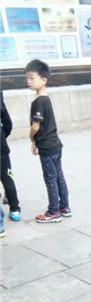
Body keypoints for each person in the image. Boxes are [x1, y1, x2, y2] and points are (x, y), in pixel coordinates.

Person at [25, 59, 71, 223]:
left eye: (32, 78)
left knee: (50, 179)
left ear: (44, 80)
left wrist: (31, 138)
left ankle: (53, 212)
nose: (28, 81)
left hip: (46, 147)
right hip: (55, 144)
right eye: (27, 78)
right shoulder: (46, 98)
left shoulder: (38, 102)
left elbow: (36, 126)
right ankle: (64, 207)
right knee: (59, 176)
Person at [1, 90, 21, 222]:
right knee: (7, 178)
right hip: (1, 146)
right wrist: (3, 135)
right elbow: (8, 123)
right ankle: (15, 209)